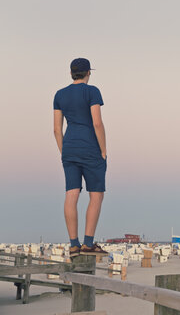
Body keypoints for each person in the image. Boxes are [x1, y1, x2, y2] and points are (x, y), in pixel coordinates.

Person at [53, 58, 108, 257]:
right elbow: (97, 123)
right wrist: (103, 150)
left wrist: (63, 151)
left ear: (71, 73)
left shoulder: (59, 94)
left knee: (71, 193)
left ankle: (74, 245)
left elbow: (56, 129)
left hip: (69, 148)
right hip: (90, 147)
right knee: (96, 194)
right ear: (88, 73)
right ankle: (88, 243)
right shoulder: (92, 91)